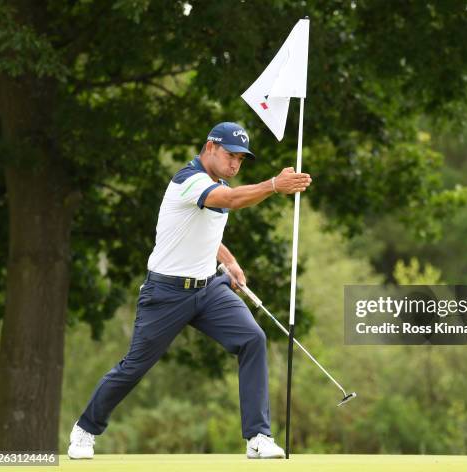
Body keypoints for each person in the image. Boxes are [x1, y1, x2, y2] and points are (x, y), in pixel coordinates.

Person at [67, 122, 312, 459]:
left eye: (241, 159)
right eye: (231, 155)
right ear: (210, 147)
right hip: (165, 293)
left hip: (209, 289)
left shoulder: (218, 182)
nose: (235, 164)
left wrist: (230, 261)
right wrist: (273, 185)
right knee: (133, 367)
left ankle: (258, 436)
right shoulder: (188, 180)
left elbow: (204, 232)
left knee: (252, 339)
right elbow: (229, 200)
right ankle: (85, 430)